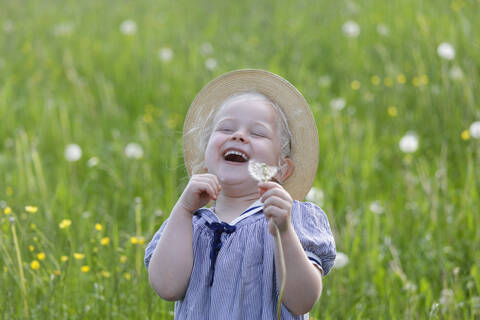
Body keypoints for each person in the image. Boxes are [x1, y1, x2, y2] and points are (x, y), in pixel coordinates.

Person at [145, 69, 336, 319]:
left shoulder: (293, 218)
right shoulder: (188, 223)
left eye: (257, 133)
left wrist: (285, 232)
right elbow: (166, 286)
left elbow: (302, 301)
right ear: (205, 156)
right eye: (225, 129)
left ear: (282, 168)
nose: (238, 136)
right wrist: (183, 210)